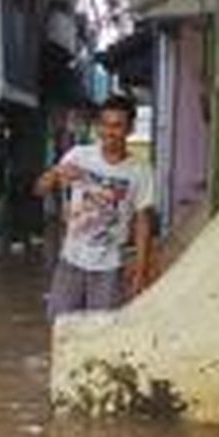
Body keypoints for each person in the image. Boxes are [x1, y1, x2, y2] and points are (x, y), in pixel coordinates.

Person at [34, 94, 154, 319]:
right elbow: (40, 189)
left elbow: (142, 221)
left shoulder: (140, 170)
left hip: (110, 268)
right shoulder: (80, 155)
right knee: (61, 327)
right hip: (71, 261)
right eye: (105, 125)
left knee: (103, 333)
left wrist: (141, 269)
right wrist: (56, 173)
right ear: (98, 126)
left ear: (130, 129)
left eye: (117, 126)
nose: (110, 132)